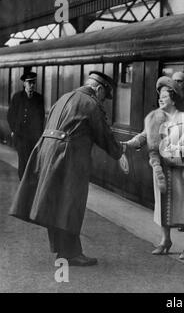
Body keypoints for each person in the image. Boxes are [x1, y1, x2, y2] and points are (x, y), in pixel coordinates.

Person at [9, 71, 123, 266]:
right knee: (71, 204)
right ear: (99, 89)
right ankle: (70, 254)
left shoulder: (63, 98)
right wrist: (120, 153)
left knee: (55, 205)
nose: (104, 101)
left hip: (47, 154)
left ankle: (64, 251)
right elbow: (104, 135)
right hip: (69, 159)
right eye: (105, 96)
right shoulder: (91, 103)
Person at [123, 76, 184, 260]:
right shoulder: (154, 118)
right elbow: (144, 136)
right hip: (162, 169)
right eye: (159, 96)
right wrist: (129, 144)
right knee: (164, 205)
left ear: (174, 98)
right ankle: (165, 240)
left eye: (164, 96)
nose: (160, 99)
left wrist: (180, 150)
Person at [7, 71, 45, 180]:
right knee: (23, 161)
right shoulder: (17, 97)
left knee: (32, 161)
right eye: (29, 82)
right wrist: (14, 130)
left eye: (33, 82)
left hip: (33, 137)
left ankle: (28, 185)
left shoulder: (39, 98)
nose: (32, 85)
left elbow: (41, 117)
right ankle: (22, 184)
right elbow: (10, 115)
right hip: (20, 136)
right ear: (24, 83)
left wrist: (39, 136)